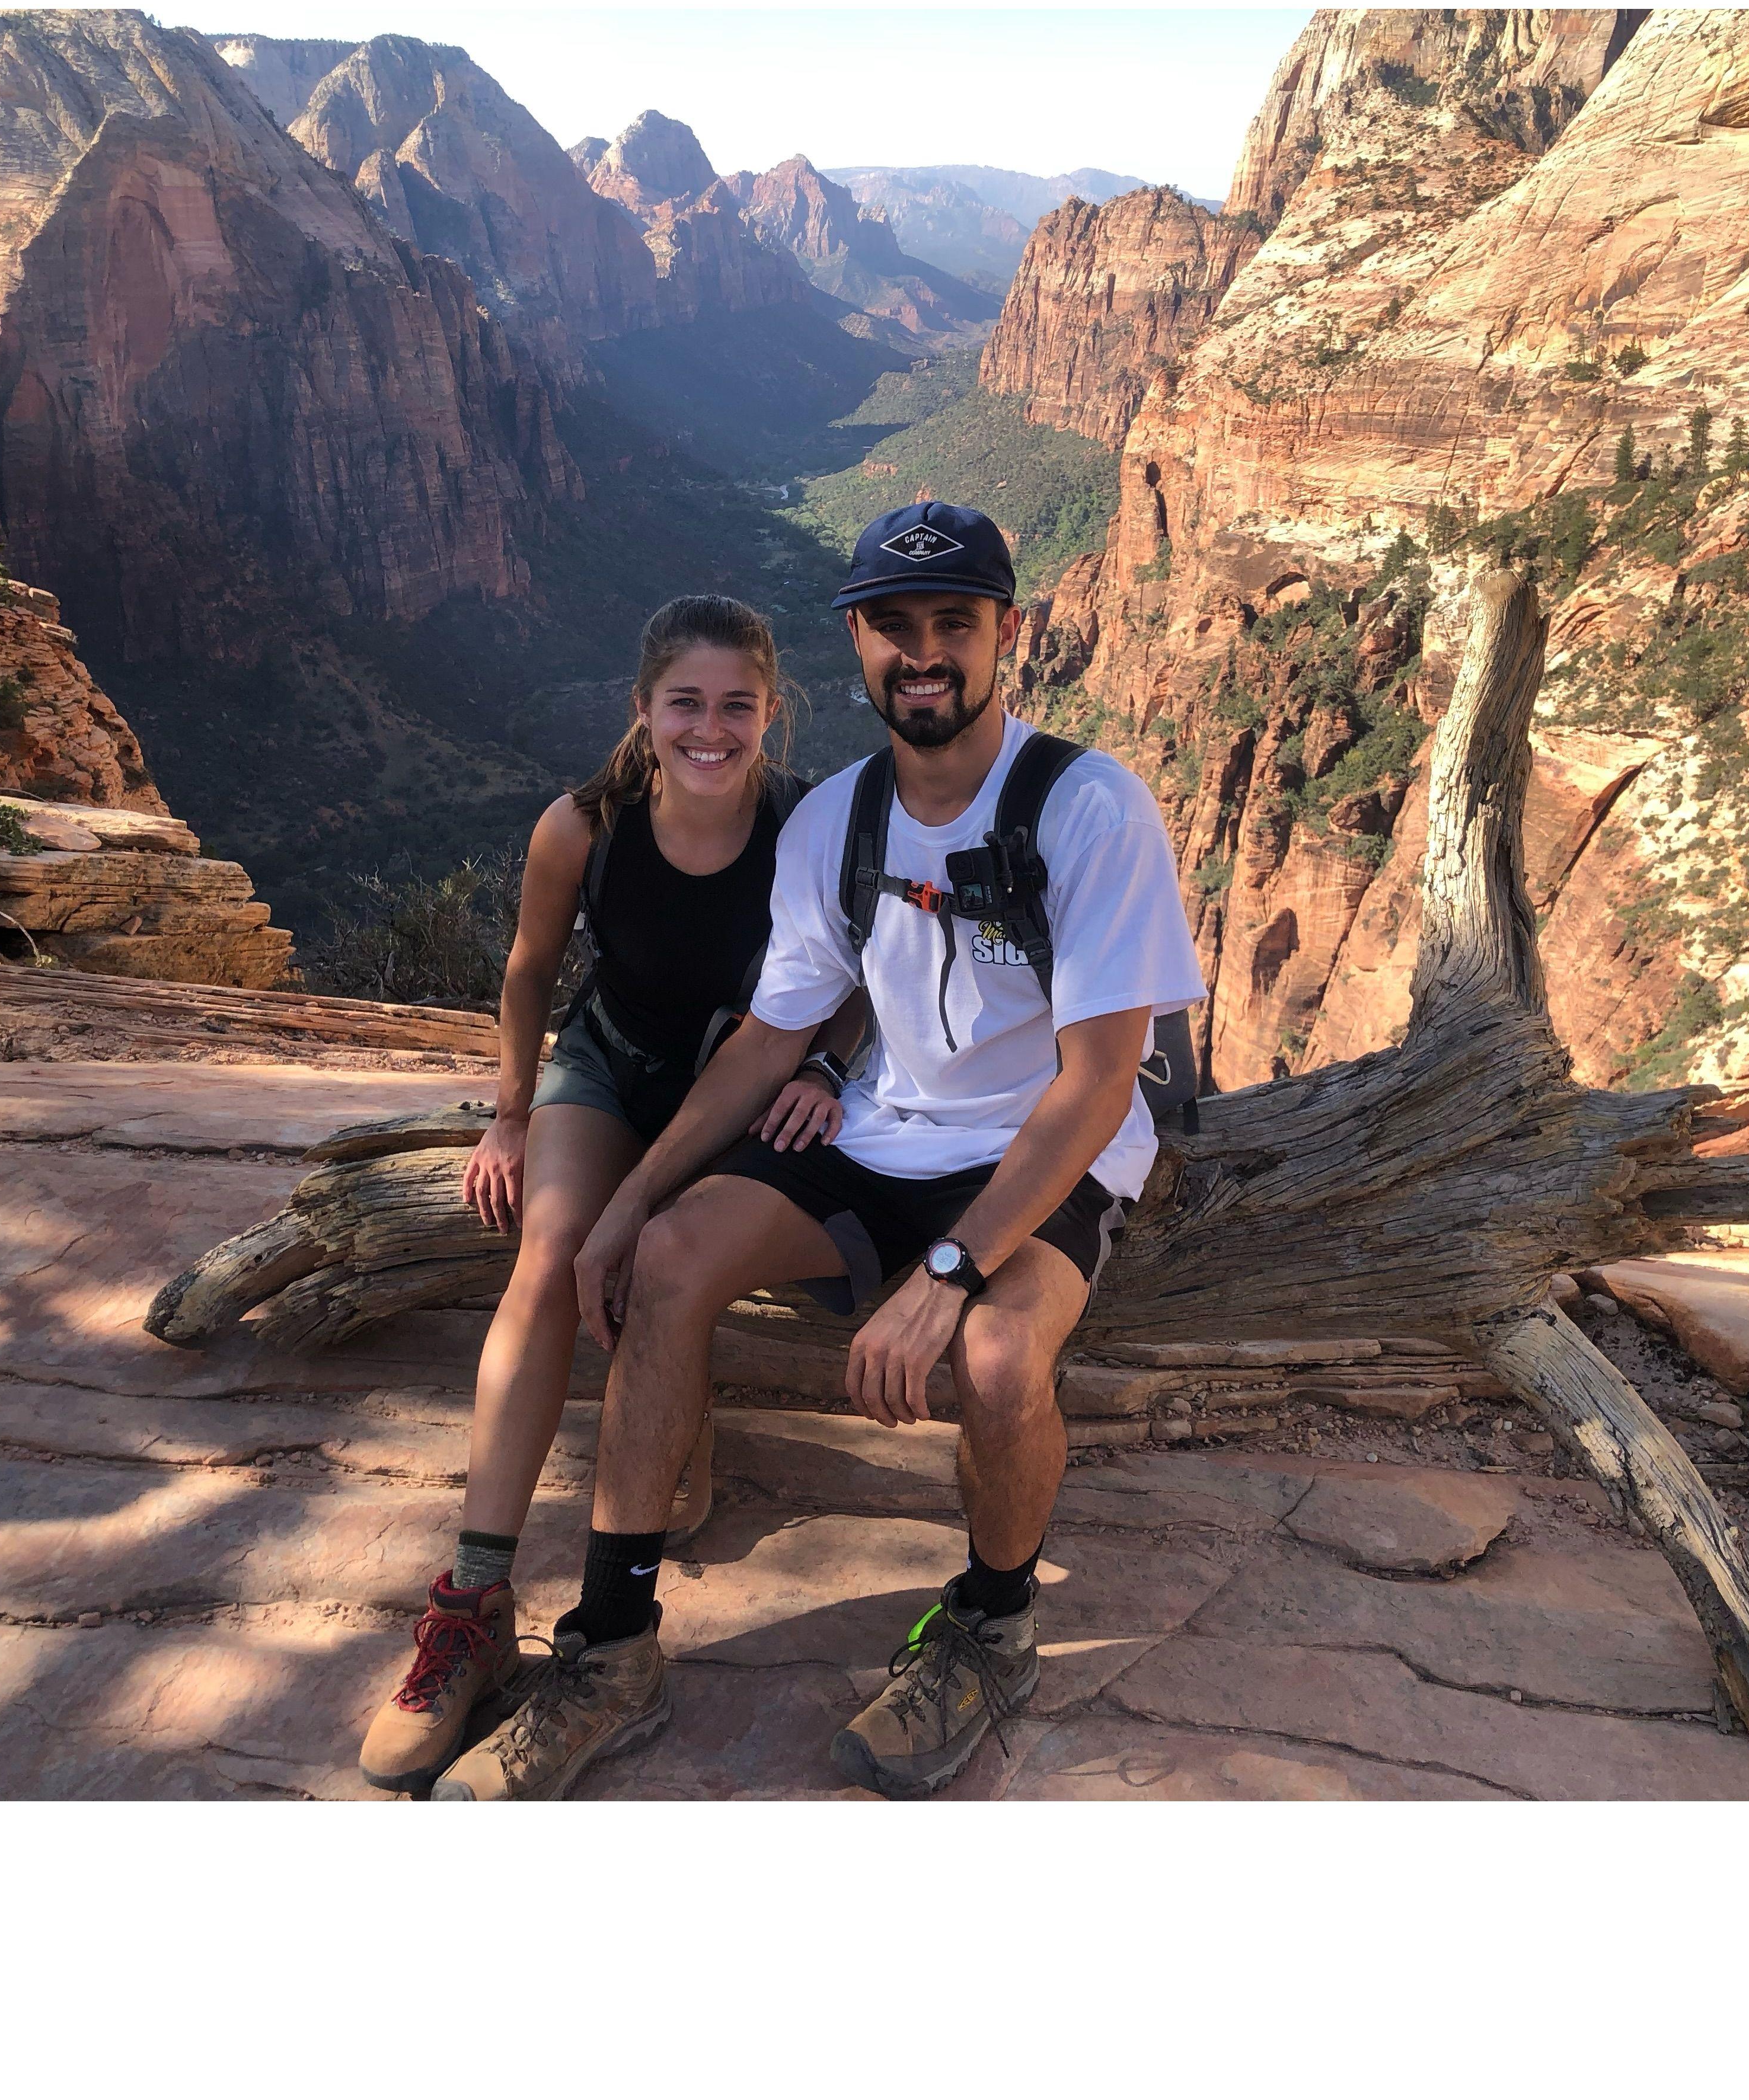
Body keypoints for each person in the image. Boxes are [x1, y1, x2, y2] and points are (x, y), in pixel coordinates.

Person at [432, 499, 1206, 1801]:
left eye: (952, 623)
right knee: (671, 1259)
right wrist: (630, 1202)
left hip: (1039, 1145)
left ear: (1007, 634)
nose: (923, 654)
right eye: (893, 627)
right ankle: (613, 1650)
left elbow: (1097, 1084)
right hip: (883, 1129)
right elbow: (760, 1047)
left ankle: (991, 1625)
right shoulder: (834, 821)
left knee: (1002, 1354)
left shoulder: (1089, 809)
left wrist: (949, 1275)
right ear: (854, 643)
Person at [357, 594, 863, 1794]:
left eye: (736, 706)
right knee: (552, 1253)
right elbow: (531, 969)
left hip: (744, 1079)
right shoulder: (581, 828)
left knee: (672, 1246)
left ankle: (675, 1432)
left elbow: (855, 975)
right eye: (684, 703)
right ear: (643, 712)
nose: (710, 729)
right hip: (614, 1062)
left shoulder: (804, 831)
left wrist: (834, 1068)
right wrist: (515, 1110)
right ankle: (474, 1602)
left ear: (770, 714)